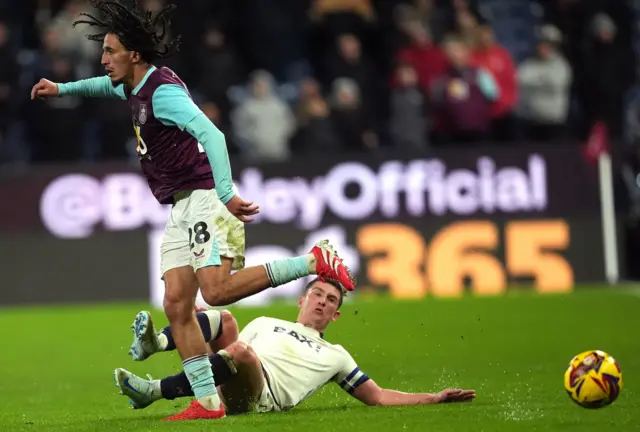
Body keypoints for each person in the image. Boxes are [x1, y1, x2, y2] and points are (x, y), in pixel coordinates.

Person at [30, 0, 355, 421]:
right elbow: (99, 86)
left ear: (134, 54)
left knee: (215, 292)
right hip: (180, 206)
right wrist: (62, 89)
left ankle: (313, 260)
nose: (103, 58)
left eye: (110, 51)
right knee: (177, 305)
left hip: (203, 197)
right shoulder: (132, 84)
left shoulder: (162, 93)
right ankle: (207, 401)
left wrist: (225, 193)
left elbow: (212, 133)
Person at [115, 278, 476, 417]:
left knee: (241, 353)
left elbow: (377, 396)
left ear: (335, 314)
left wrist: (434, 397)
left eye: (330, 299)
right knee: (222, 319)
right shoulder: (266, 323)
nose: (322, 301)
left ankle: (155, 390)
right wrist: (195, 324)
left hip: (258, 396)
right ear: (302, 299)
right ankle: (158, 341)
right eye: (317, 294)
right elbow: (214, 356)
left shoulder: (336, 354)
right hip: (229, 373)